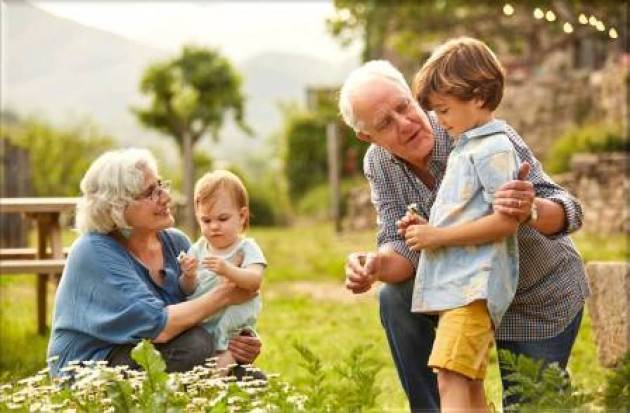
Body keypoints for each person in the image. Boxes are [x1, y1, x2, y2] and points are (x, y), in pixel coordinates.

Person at [338, 59, 589, 412]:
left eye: (403, 107)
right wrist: (376, 265)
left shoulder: (475, 127)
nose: (405, 124)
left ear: (412, 95)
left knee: (533, 406)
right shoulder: (378, 163)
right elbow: (404, 249)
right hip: (464, 294)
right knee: (394, 299)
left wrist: (529, 208)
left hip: (534, 294)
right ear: (366, 136)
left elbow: (568, 208)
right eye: (385, 123)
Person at [47, 148, 262, 377]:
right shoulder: (93, 251)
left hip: (156, 350)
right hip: (95, 365)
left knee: (252, 380)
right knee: (195, 346)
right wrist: (226, 294)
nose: (166, 197)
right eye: (151, 192)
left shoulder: (175, 242)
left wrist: (239, 341)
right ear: (117, 207)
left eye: (161, 185)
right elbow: (158, 327)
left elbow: (198, 308)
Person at [401, 37, 521, 412]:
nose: (439, 120)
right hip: (458, 289)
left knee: (450, 378)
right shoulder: (465, 148)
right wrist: (426, 225)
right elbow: (468, 214)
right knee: (466, 384)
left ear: (480, 97)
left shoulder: (495, 148)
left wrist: (438, 236)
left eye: (444, 109)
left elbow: (505, 222)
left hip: (474, 289)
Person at [179, 170, 266, 373]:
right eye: (206, 221)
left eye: (223, 218)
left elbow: (254, 281)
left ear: (242, 216)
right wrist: (188, 275)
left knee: (223, 363)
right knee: (201, 358)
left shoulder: (246, 248)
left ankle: (217, 384)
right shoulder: (198, 248)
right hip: (204, 320)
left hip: (233, 324)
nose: (214, 227)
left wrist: (228, 269)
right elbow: (187, 289)